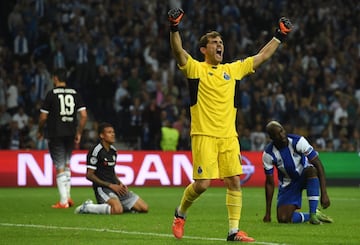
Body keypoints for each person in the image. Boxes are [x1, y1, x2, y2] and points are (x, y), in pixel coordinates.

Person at [168, 7, 292, 242]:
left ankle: (233, 231)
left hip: (228, 136)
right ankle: (180, 214)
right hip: (204, 134)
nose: (219, 45)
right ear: (204, 49)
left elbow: (261, 56)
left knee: (234, 181)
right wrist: (174, 27)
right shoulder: (196, 69)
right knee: (202, 184)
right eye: (214, 42)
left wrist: (280, 35)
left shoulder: (232, 70)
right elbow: (178, 51)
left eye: (221, 41)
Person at [262, 121, 333, 225]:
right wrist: (268, 212)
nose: (282, 135)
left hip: (305, 175)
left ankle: (313, 214)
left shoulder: (298, 141)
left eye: (282, 131)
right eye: (278, 134)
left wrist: (324, 193)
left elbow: (318, 164)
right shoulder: (268, 154)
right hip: (288, 184)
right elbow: (269, 183)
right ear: (272, 137)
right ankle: (312, 215)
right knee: (283, 218)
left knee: (312, 170)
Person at [37, 68, 88, 208]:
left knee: (59, 166)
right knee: (66, 164)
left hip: (56, 133)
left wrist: (40, 130)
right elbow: (83, 115)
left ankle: (63, 201)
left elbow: (42, 117)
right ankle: (68, 197)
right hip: (71, 133)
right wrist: (79, 132)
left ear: (55, 78)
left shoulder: (51, 94)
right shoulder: (75, 93)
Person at [75, 122, 149, 215]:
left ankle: (117, 204)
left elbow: (111, 171)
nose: (113, 134)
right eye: (109, 132)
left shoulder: (113, 151)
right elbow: (89, 175)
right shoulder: (96, 150)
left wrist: (119, 183)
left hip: (116, 187)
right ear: (102, 135)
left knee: (144, 208)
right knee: (117, 210)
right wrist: (110, 185)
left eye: (113, 132)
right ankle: (87, 207)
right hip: (103, 188)